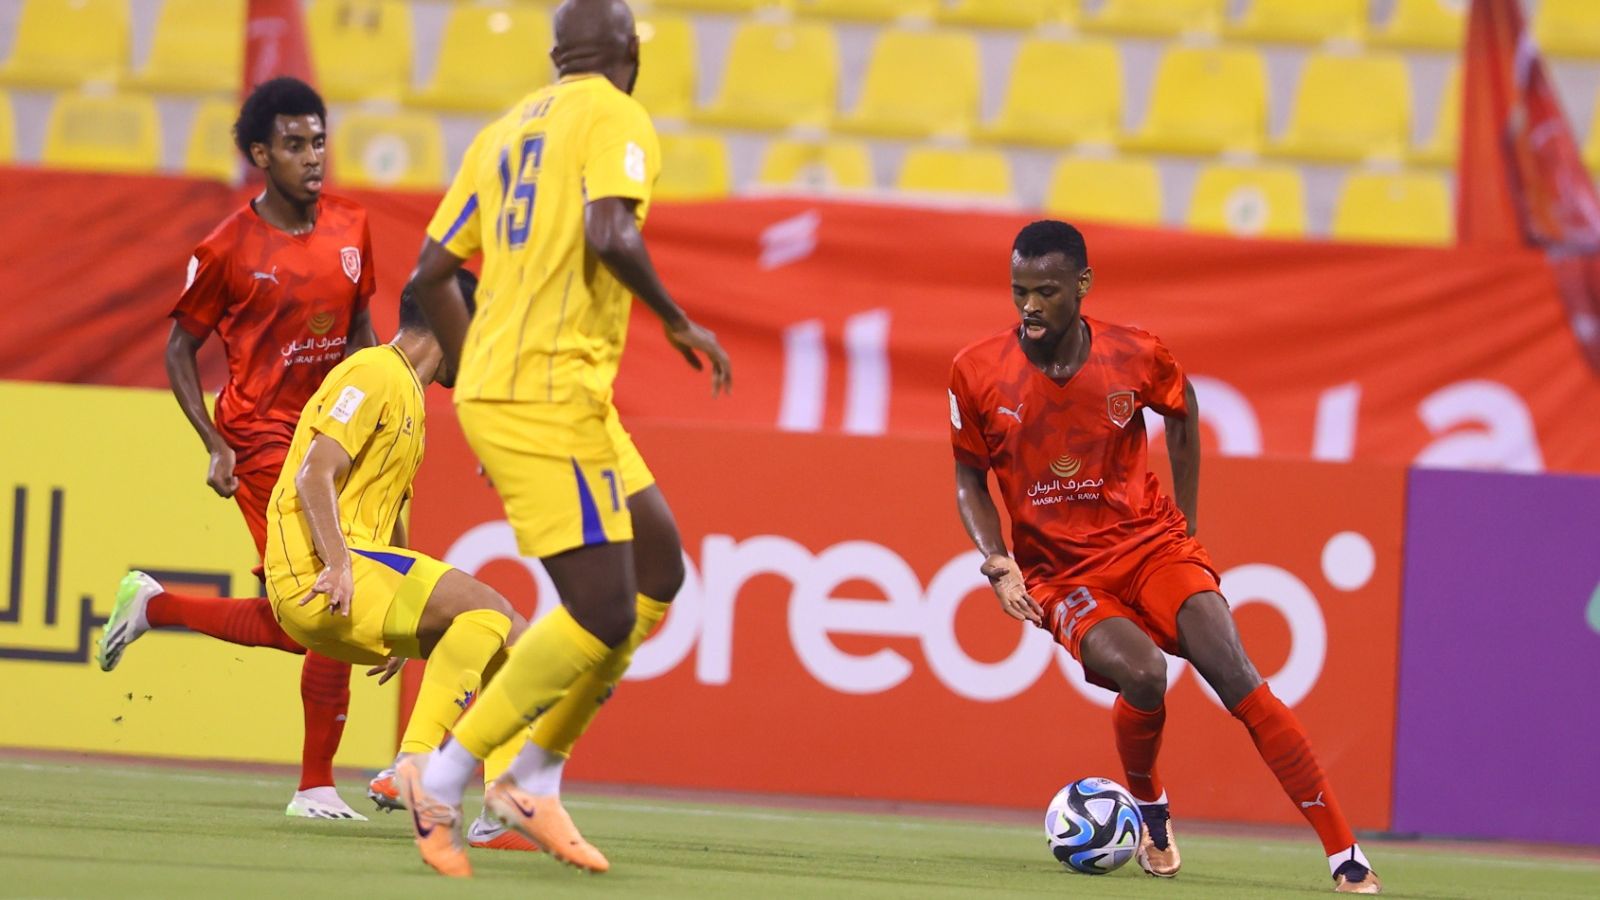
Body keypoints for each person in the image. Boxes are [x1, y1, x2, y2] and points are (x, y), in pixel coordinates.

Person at [397, 0, 730, 879]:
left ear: (555, 56)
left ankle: (534, 776)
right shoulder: (618, 117)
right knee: (603, 612)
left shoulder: (502, 132)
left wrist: (473, 386)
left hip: (546, 390)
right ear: (628, 53)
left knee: (658, 566)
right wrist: (677, 321)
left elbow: (431, 274)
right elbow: (610, 231)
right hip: (545, 391)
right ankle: (445, 776)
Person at [949, 221, 1381, 895]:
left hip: (1152, 546)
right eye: (1019, 291)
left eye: (1046, 291)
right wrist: (998, 562)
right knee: (1144, 675)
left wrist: (1189, 528)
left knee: (1237, 673)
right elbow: (968, 478)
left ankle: (1344, 852)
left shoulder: (1135, 353)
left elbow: (1184, 411)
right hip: (1063, 575)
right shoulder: (977, 371)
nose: (1030, 306)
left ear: (1082, 287)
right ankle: (1150, 810)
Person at [98, 281, 532, 861]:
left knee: (510, 641)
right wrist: (338, 565)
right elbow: (313, 474)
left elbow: (393, 520)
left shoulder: (410, 395)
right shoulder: (374, 371)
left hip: (357, 580)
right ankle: (417, 763)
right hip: (315, 575)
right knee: (489, 609)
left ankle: (496, 810)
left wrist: (410, 614)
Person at [113, 76, 379, 819]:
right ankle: (315, 787)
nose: (312, 157)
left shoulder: (354, 228)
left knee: (312, 612)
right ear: (261, 154)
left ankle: (156, 607)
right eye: (294, 145)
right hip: (261, 441)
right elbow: (178, 349)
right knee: (332, 604)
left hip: (332, 440)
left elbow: (361, 333)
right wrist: (214, 443)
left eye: (319, 141)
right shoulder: (226, 247)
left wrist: (378, 412)